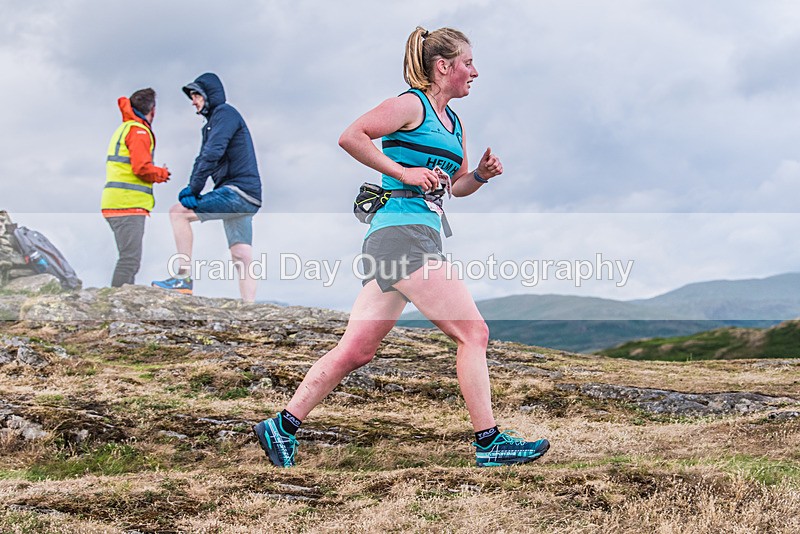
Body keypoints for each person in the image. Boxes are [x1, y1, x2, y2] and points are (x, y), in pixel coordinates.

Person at [252, 27, 550, 468]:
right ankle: (489, 443)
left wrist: (482, 175)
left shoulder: (455, 123)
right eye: (468, 63)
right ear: (443, 66)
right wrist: (403, 172)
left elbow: (458, 186)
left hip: (416, 235)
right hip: (400, 235)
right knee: (474, 333)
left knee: (357, 350)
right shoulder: (411, 104)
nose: (476, 71)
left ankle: (282, 424)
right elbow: (352, 135)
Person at [151, 73, 262, 301]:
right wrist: (196, 187)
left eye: (196, 95)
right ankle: (250, 308)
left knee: (178, 213)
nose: (193, 101)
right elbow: (206, 156)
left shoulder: (223, 114)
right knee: (241, 253)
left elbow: (211, 154)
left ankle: (183, 278)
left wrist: (193, 189)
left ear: (209, 95)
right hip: (249, 195)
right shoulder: (217, 120)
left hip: (236, 192)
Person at [101, 88, 170, 288]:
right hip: (127, 203)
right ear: (153, 110)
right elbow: (141, 167)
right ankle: (115, 306)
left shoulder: (125, 128)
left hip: (117, 202)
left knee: (128, 259)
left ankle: (119, 304)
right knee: (129, 260)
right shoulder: (138, 131)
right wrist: (161, 174)